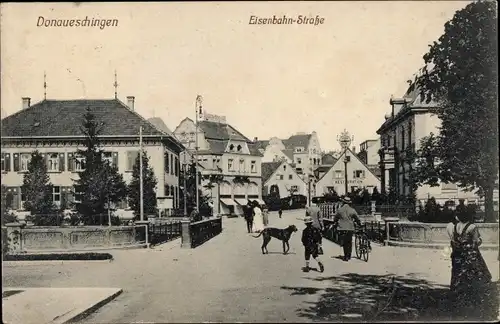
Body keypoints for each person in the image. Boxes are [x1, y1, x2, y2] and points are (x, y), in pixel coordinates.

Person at [446, 210, 493, 319]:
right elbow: (476, 242)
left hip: (458, 255)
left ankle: (456, 298)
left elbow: (453, 240)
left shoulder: (453, 226)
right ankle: (471, 299)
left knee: (457, 274)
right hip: (470, 256)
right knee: (474, 274)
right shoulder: (472, 227)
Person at [332, 196, 362, 261]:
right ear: (349, 203)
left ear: (343, 202)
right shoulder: (352, 210)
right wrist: (359, 224)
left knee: (344, 242)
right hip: (350, 228)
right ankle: (349, 255)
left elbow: (335, 218)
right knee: (349, 241)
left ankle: (345, 256)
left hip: (342, 228)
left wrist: (335, 222)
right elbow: (357, 218)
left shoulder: (339, 210)